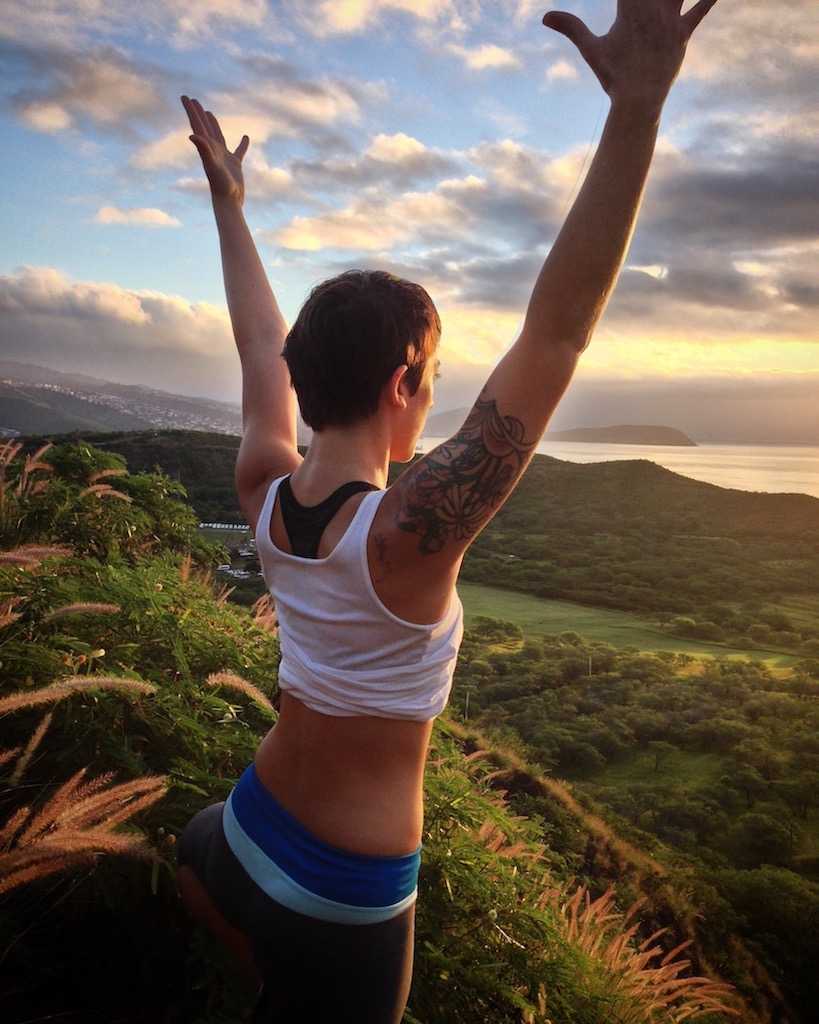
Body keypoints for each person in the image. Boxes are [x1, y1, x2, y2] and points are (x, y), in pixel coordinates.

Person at [175, 2, 719, 1020]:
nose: (437, 395)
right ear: (397, 383)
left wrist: (231, 206)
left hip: (243, 831)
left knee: (193, 858)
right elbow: (557, 335)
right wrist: (636, 113)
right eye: (432, 375)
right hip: (346, 899)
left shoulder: (261, 490)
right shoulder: (405, 536)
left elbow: (259, 349)